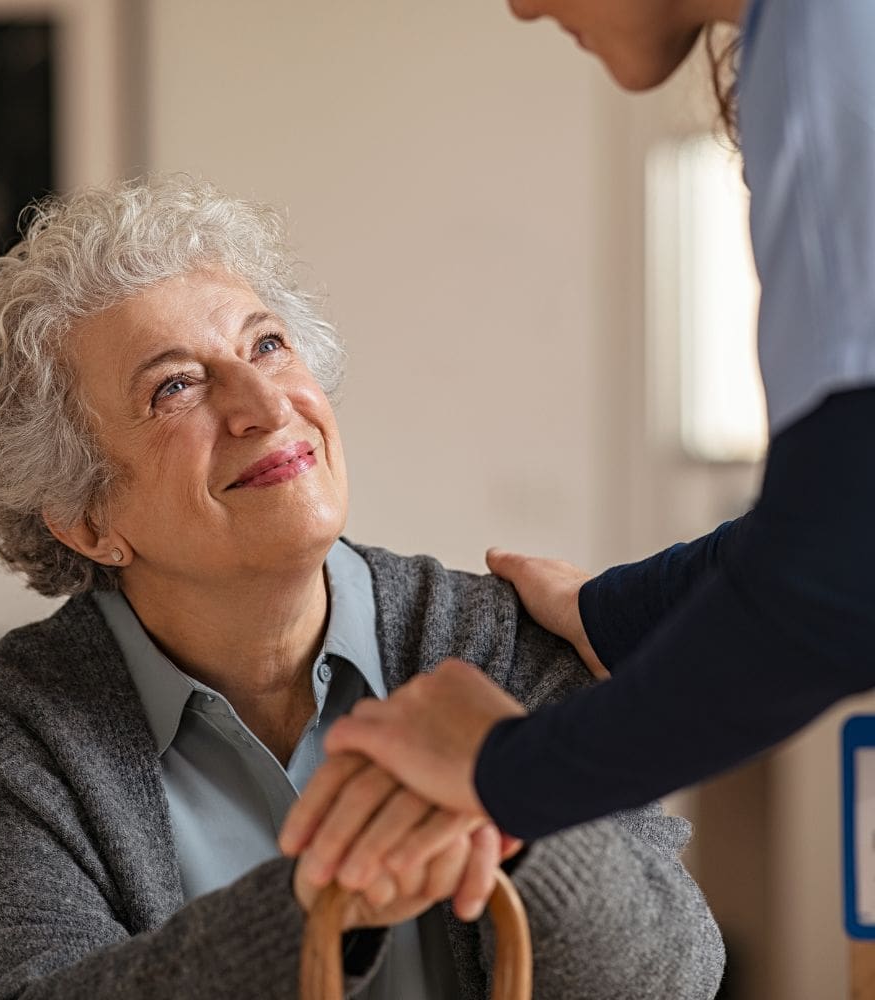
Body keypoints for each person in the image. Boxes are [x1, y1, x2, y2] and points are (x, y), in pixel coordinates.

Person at [0, 175, 724, 1000]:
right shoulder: (8, 728)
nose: (266, 404)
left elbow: (671, 978)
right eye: (175, 387)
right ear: (87, 523)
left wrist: (513, 784)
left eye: (266, 345)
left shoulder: (497, 644)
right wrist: (322, 904)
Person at [280, 0, 875, 859]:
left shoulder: (823, 36)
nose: (522, 6)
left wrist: (505, 770)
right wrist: (624, 611)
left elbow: (843, 569)